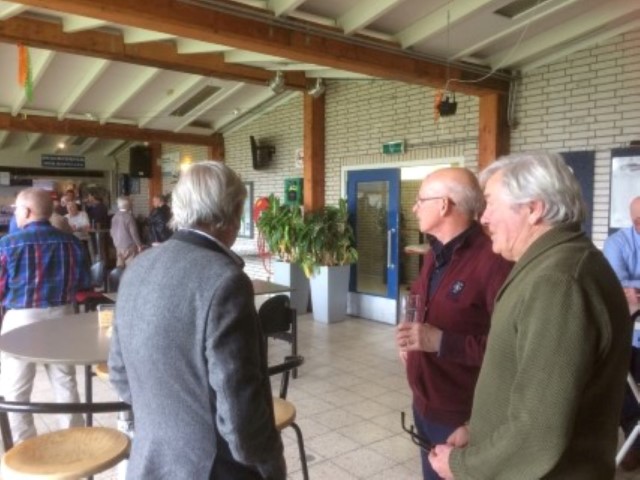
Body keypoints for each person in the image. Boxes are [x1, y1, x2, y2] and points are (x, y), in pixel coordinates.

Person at [430, 152, 631, 480]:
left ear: (533, 209)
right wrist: (477, 430)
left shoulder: (559, 281)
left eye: (490, 203)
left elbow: (537, 430)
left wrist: (461, 466)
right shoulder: (550, 263)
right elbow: (522, 378)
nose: (483, 218)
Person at [109, 161, 286, 479]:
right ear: (233, 213)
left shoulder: (137, 267)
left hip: (151, 461)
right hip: (212, 468)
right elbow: (240, 409)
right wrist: (270, 465)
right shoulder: (225, 280)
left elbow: (120, 375)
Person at [395, 167, 512, 480]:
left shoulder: (494, 261)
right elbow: (417, 295)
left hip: (462, 414)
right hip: (424, 400)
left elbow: (510, 351)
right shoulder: (434, 252)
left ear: (444, 205)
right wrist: (409, 331)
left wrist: (438, 341)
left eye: (421, 200)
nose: (414, 208)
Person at [0, 188, 90, 443]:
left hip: (21, 319)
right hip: (62, 316)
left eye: (16, 209)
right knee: (65, 381)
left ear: (27, 211)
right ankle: (74, 441)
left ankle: (25, 445)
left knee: (16, 387)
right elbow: (83, 283)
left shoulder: (7, 244)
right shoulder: (72, 243)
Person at [603, 195, 640, 470]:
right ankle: (634, 440)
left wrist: (634, 287)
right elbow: (617, 281)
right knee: (624, 386)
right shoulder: (617, 243)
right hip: (630, 335)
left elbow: (630, 287)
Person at [110, 196, 143, 267]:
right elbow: (134, 233)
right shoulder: (129, 217)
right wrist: (139, 244)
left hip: (118, 245)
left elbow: (112, 232)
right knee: (130, 267)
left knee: (119, 266)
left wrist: (116, 242)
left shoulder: (114, 217)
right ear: (129, 205)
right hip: (129, 246)